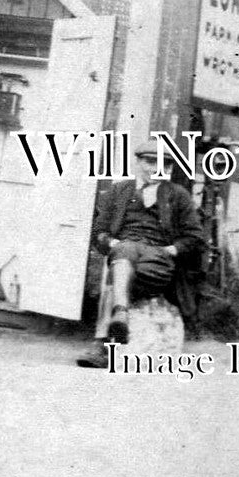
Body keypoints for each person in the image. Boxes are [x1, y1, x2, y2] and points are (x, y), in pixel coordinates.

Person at [76, 140, 204, 368]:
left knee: (118, 272)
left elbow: (194, 237)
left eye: (164, 164)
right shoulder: (119, 190)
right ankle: (119, 319)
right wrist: (111, 242)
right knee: (122, 255)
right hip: (124, 250)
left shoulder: (178, 195)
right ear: (138, 162)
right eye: (150, 162)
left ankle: (105, 342)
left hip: (156, 259)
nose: (156, 169)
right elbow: (99, 230)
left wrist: (171, 250)